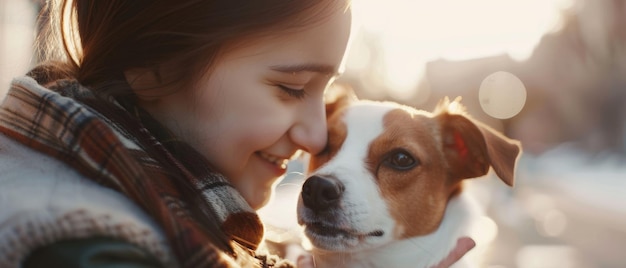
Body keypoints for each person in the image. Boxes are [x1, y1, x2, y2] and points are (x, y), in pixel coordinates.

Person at [0, 0, 472, 267]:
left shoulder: (169, 207)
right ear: (154, 67)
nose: (314, 136)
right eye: (291, 88)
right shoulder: (91, 249)